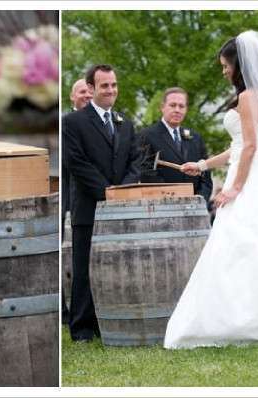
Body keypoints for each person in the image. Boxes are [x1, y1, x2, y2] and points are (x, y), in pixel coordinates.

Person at [164, 31, 258, 349]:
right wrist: (203, 164)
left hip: (252, 177)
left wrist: (234, 188)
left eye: (225, 65)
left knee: (249, 244)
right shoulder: (253, 96)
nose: (223, 71)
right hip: (256, 169)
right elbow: (239, 147)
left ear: (239, 65)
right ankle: (257, 313)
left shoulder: (248, 98)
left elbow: (249, 148)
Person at [64, 64, 141, 342]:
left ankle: (107, 320)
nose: (111, 90)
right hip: (89, 206)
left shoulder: (125, 123)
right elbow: (76, 162)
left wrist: (124, 189)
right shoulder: (73, 123)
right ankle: (82, 328)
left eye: (114, 85)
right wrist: (105, 191)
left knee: (115, 266)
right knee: (84, 268)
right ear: (92, 89)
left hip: (120, 206)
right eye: (105, 86)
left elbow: (136, 160)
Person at [138, 87, 213, 207]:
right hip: (163, 206)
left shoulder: (196, 137)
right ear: (162, 107)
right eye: (172, 105)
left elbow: (206, 173)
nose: (177, 110)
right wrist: (174, 199)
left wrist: (200, 198)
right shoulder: (147, 135)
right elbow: (146, 173)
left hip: (195, 207)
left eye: (181, 106)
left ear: (186, 109)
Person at [61, 79, 92, 325]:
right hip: (66, 195)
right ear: (72, 97)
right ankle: (63, 310)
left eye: (90, 92)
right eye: (82, 92)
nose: (87, 96)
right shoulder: (66, 123)